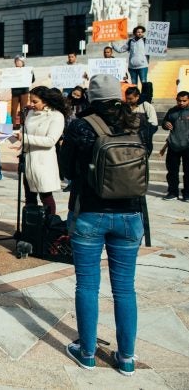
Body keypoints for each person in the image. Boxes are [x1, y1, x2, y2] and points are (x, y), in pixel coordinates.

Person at [60, 74, 146, 377]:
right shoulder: (137, 123)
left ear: (91, 97)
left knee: (87, 285)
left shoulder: (80, 126)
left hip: (89, 213)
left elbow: (66, 169)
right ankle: (126, 359)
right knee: (125, 289)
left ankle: (86, 353)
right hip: (131, 215)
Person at [13, 86, 66, 215]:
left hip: (43, 162)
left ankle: (49, 226)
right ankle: (31, 228)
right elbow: (25, 132)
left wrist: (25, 138)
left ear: (45, 101)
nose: (31, 104)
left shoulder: (56, 116)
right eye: (31, 100)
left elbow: (50, 141)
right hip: (28, 160)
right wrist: (16, 136)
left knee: (45, 196)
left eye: (35, 102)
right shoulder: (30, 113)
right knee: (29, 197)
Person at [161, 91, 189, 201]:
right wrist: (165, 124)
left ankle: (187, 194)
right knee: (172, 171)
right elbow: (165, 122)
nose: (181, 103)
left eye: (184, 101)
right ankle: (173, 192)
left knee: (188, 172)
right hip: (173, 145)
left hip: (187, 146)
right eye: (179, 100)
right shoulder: (172, 111)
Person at [125, 87, 158, 155]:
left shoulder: (146, 106)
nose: (128, 101)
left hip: (142, 144)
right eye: (127, 98)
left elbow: (154, 125)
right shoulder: (125, 107)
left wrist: (142, 134)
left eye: (130, 99)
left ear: (137, 97)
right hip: (127, 143)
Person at [10, 55, 35, 129]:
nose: (18, 62)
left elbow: (32, 80)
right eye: (16, 61)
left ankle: (22, 124)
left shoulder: (27, 70)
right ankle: (13, 125)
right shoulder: (11, 71)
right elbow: (7, 80)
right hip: (15, 92)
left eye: (19, 61)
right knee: (13, 109)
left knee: (23, 109)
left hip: (24, 92)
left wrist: (31, 74)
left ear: (23, 62)